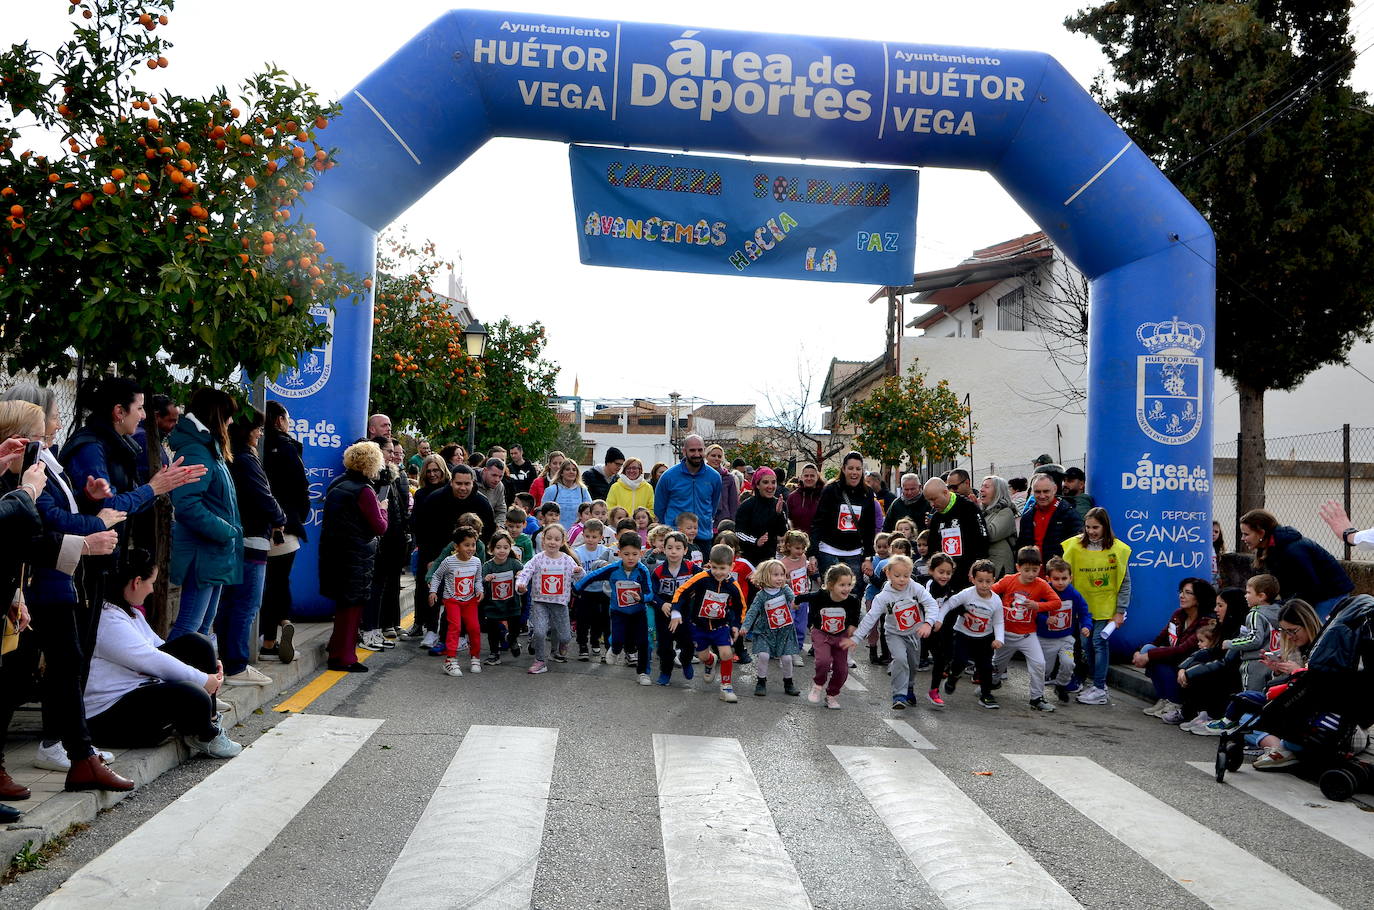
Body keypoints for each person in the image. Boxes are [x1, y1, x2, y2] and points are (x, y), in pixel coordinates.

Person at [0, 403, 128, 791]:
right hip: (39, 582)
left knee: (55, 667)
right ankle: (76, 756)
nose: (55, 430)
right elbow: (32, 530)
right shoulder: (22, 477)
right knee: (23, 675)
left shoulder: (35, 469)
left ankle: (81, 757)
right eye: (41, 432)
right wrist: (85, 541)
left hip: (40, 584)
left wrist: (88, 501)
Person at [84, 550, 241, 759]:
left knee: (198, 645)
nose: (152, 590)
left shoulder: (128, 611)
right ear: (136, 582)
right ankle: (204, 734)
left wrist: (209, 666)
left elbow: (162, 648)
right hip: (105, 718)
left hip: (132, 694)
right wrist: (203, 679)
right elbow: (152, 659)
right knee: (193, 695)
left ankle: (207, 724)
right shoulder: (108, 621)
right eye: (152, 583)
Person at [166, 389, 243, 642]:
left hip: (213, 551)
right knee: (190, 627)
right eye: (228, 416)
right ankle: (173, 679)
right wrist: (226, 531)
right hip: (203, 552)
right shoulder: (198, 450)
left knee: (202, 629)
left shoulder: (209, 448)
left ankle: (199, 680)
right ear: (217, 416)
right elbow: (187, 505)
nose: (231, 422)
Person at [216, 407, 285, 687]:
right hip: (252, 535)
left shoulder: (229, 456)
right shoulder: (246, 459)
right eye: (257, 428)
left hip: (237, 536)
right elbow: (262, 495)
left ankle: (230, 661)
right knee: (245, 604)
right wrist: (280, 517)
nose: (260, 432)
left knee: (231, 604)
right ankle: (236, 665)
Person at [318, 441, 389, 673]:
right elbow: (380, 527)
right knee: (353, 607)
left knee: (343, 605)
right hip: (356, 554)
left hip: (334, 551)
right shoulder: (365, 491)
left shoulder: (337, 484)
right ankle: (343, 657)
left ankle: (336, 648)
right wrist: (383, 508)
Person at [1059, 507, 1132, 706]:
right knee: (1086, 645)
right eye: (1088, 527)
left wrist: (1120, 611)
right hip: (1083, 608)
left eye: (1096, 527)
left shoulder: (1119, 549)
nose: (1091, 531)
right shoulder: (1074, 547)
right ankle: (1096, 683)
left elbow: (1125, 583)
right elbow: (1064, 576)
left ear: (1105, 526)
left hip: (1106, 608)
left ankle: (1100, 687)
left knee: (1099, 643)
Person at [852, 554, 940, 711]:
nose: (901, 579)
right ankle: (899, 695)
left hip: (914, 633)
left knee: (913, 664)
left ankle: (909, 688)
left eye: (906, 576)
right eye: (897, 575)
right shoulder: (884, 596)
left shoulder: (915, 588)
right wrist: (856, 637)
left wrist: (928, 623)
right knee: (900, 660)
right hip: (894, 634)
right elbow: (871, 617)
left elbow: (931, 604)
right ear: (888, 573)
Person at [261, 401, 309, 662]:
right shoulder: (288, 449)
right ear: (279, 420)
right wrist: (296, 516)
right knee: (280, 582)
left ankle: (270, 637)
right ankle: (275, 634)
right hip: (285, 527)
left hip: (259, 526)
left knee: (267, 585)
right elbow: (301, 487)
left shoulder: (254, 448)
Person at [1132, 577, 1218, 724]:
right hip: (1175, 660)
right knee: (1148, 649)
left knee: (1153, 655)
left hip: (1190, 665)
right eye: (1181, 592)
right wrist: (1140, 652)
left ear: (1199, 598)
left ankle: (1175, 701)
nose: (1181, 596)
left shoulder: (1205, 620)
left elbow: (1183, 649)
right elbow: (1160, 638)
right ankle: (1165, 699)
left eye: (1188, 593)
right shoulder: (1179, 614)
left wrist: (1148, 656)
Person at [669, 544, 747, 703]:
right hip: (699, 626)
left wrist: (736, 625)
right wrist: (676, 612)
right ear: (709, 563)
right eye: (715, 567)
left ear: (731, 566)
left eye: (723, 568)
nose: (718, 572)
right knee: (704, 656)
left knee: (726, 654)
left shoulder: (733, 586)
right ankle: (710, 662)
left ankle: (726, 687)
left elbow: (741, 607)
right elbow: (681, 592)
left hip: (720, 627)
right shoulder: (702, 578)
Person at [1240, 508, 1353, 616]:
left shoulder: (1292, 549)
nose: (1242, 538)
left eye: (1246, 534)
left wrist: (1288, 605)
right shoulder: (1271, 549)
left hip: (1329, 595)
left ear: (1261, 533)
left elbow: (1310, 586)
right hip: (1313, 596)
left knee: (1320, 633)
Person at [576, 530, 654, 685]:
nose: (630, 558)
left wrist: (642, 598)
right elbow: (593, 575)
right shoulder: (613, 569)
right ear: (619, 553)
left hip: (639, 612)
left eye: (634, 554)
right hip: (618, 612)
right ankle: (615, 649)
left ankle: (643, 672)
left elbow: (650, 593)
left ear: (641, 553)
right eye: (626, 554)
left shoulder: (642, 571)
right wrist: (577, 588)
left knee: (643, 642)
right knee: (617, 639)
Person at [990, 547, 1060, 712]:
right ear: (1018, 567)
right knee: (996, 665)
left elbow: (1056, 602)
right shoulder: (1008, 580)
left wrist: (1037, 605)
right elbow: (991, 592)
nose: (1030, 574)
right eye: (1026, 570)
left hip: (1028, 635)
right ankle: (991, 685)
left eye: (1035, 570)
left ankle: (1036, 698)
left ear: (1040, 568)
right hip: (1005, 634)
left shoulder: (1041, 584)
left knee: (1039, 664)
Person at [515, 522, 584, 674]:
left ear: (562, 541)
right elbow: (525, 572)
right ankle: (540, 660)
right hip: (539, 601)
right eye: (549, 538)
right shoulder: (538, 559)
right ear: (543, 540)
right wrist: (521, 585)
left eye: (557, 539)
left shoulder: (566, 559)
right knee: (540, 632)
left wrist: (578, 572)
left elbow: (580, 577)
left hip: (559, 603)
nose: (552, 542)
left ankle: (560, 646)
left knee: (565, 636)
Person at [939, 560, 1006, 709]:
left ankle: (986, 695)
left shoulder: (996, 601)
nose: (984, 585)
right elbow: (949, 604)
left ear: (994, 580)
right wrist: (939, 619)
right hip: (963, 634)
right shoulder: (967, 594)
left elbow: (999, 622)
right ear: (973, 579)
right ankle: (953, 677)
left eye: (988, 581)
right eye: (980, 580)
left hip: (985, 638)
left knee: (986, 667)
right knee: (960, 661)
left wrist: (999, 639)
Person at [809, 451, 877, 579]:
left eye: (858, 469)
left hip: (855, 553)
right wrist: (812, 553)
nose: (854, 472)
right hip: (828, 551)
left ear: (862, 471)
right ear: (843, 469)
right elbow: (818, 522)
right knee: (830, 594)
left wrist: (868, 557)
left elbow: (869, 527)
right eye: (850, 468)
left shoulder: (867, 493)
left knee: (853, 594)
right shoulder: (830, 490)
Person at [740, 559, 801, 697]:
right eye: (776, 575)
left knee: (786, 658)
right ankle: (761, 682)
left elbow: (793, 600)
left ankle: (788, 682)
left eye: (782, 574)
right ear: (765, 576)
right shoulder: (761, 595)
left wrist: (795, 603)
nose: (780, 578)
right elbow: (752, 611)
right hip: (764, 631)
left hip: (784, 630)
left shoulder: (785, 589)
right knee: (763, 656)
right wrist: (745, 626)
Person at [429, 526, 484, 678]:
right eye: (466, 545)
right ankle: (450, 660)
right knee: (455, 627)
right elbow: (437, 575)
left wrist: (480, 590)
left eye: (473, 544)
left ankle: (475, 657)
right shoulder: (449, 562)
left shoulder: (477, 562)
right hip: (452, 600)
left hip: (470, 600)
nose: (471, 548)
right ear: (456, 546)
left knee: (474, 627)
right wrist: (433, 591)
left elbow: (478, 579)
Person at [654, 435, 722, 557]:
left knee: (702, 574)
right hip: (676, 538)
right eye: (692, 450)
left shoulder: (714, 477)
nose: (697, 454)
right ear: (684, 451)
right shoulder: (668, 476)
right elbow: (659, 508)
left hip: (703, 535)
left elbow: (714, 505)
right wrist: (671, 528)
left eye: (700, 450)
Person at [806, 563, 861, 709]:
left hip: (841, 636)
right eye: (842, 585)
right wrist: (796, 604)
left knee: (842, 670)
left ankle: (832, 695)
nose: (846, 588)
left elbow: (855, 615)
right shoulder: (821, 596)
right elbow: (806, 598)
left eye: (849, 584)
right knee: (823, 661)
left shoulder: (853, 600)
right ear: (830, 585)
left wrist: (853, 626)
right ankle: (818, 684)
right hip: (821, 633)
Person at [923, 476, 990, 591]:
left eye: (934, 499)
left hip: (967, 576)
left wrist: (977, 566)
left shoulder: (968, 507)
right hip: (945, 578)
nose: (932, 504)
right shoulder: (935, 517)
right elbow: (932, 548)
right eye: (929, 500)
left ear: (945, 492)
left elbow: (983, 539)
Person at [649, 531, 697, 686]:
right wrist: (661, 603)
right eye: (669, 548)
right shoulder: (658, 571)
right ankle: (665, 672)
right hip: (664, 611)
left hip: (684, 610)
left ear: (685, 550)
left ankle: (686, 661)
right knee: (665, 646)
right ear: (664, 549)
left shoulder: (692, 568)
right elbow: (651, 593)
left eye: (678, 548)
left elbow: (706, 579)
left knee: (688, 643)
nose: (673, 551)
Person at [1222, 573, 1283, 693]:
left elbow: (1254, 639)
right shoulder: (1279, 612)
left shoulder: (1255, 614)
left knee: (1250, 697)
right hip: (1274, 662)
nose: (1245, 596)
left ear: (1261, 596)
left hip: (1255, 663)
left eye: (1249, 593)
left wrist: (1230, 643)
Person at [1016, 472, 1083, 563]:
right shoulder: (1027, 517)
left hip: (1059, 573)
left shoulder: (1069, 514)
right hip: (1034, 573)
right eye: (1038, 492)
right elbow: (1021, 547)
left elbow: (1078, 546)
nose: (1042, 496)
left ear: (1055, 489)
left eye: (1046, 491)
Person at [733, 466, 788, 567]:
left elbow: (783, 532)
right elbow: (739, 532)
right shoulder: (747, 505)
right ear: (757, 485)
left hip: (770, 560)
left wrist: (779, 514)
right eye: (765, 482)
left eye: (773, 482)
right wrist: (755, 541)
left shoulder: (780, 503)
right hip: (749, 560)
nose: (770, 486)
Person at [130, 393, 178, 485]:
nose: (175, 425)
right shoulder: (143, 438)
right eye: (171, 420)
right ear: (156, 416)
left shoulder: (148, 437)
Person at [979, 475, 1019, 577]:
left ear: (998, 492)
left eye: (987, 487)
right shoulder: (986, 513)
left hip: (1000, 568)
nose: (981, 490)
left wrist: (975, 513)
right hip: (987, 567)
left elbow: (991, 534)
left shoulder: (1006, 512)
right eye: (982, 486)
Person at [541, 459, 592, 530]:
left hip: (578, 533)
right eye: (568, 469)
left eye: (574, 470)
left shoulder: (583, 490)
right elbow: (543, 512)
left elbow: (590, 511)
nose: (571, 472)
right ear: (561, 472)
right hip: (556, 532)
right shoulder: (552, 490)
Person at [786, 462, 825, 534]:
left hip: (820, 542)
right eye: (806, 476)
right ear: (801, 477)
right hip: (798, 543)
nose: (809, 478)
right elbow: (788, 519)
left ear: (817, 476)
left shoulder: (824, 496)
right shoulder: (792, 497)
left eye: (812, 476)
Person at [705, 444, 738, 524]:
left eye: (719, 456)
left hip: (723, 520)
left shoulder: (728, 478)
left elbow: (733, 503)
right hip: (704, 519)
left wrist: (733, 523)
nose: (716, 459)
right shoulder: (700, 476)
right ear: (706, 457)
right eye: (713, 455)